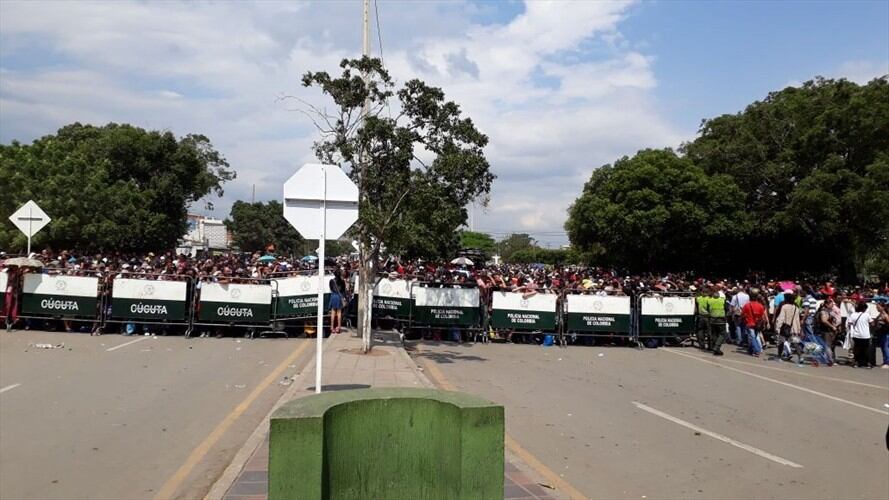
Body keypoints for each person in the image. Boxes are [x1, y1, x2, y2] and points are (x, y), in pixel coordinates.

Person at [774, 293, 803, 363]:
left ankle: (779, 357)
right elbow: (797, 319)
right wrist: (798, 329)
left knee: (781, 342)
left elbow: (781, 318)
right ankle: (800, 357)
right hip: (794, 328)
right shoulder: (796, 308)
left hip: (785, 328)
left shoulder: (784, 307)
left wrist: (777, 327)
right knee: (795, 343)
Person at [844, 302, 873, 368]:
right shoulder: (867, 315)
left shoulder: (853, 315)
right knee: (866, 349)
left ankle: (856, 362)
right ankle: (867, 363)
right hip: (865, 335)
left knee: (856, 349)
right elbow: (872, 323)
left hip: (856, 334)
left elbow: (849, 323)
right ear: (864, 309)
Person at [741, 291, 768, 357]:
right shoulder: (760, 306)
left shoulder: (747, 305)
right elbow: (762, 316)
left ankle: (756, 350)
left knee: (752, 337)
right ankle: (750, 350)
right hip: (757, 324)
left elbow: (742, 314)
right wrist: (764, 324)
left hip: (749, 323)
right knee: (754, 337)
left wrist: (744, 319)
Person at [815, 296, 840, 366]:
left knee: (826, 345)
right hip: (826, 330)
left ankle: (825, 359)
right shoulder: (824, 311)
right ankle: (830, 360)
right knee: (827, 346)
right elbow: (824, 320)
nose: (832, 306)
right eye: (831, 304)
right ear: (827, 304)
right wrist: (832, 326)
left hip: (828, 330)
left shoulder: (829, 311)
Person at [705, 288, 728, 356]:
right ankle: (716, 347)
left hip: (712, 319)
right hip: (721, 319)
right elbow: (726, 308)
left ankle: (716, 349)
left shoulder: (709, 300)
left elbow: (707, 309)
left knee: (714, 334)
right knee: (722, 334)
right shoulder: (722, 300)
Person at [328, 269, 347, 334]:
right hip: (339, 297)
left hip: (333, 296)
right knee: (339, 313)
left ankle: (332, 328)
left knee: (333, 312)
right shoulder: (342, 281)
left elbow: (331, 288)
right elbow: (343, 290)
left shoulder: (331, 281)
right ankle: (338, 328)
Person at [873, 302, 889, 369]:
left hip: (885, 333)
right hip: (881, 333)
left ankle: (887, 363)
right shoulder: (880, 314)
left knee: (885, 347)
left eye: (878, 307)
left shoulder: (885, 314)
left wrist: (883, 323)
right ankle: (885, 361)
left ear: (883, 307)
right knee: (883, 348)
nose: (877, 308)